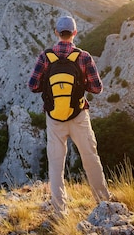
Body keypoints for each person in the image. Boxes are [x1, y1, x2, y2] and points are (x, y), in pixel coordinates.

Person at [28, 15, 111, 216]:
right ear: (75, 33)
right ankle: (104, 204)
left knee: (56, 165)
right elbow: (97, 88)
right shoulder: (83, 57)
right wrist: (79, 85)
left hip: (54, 118)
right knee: (90, 157)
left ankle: (60, 211)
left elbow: (33, 86)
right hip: (79, 116)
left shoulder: (45, 57)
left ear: (56, 33)